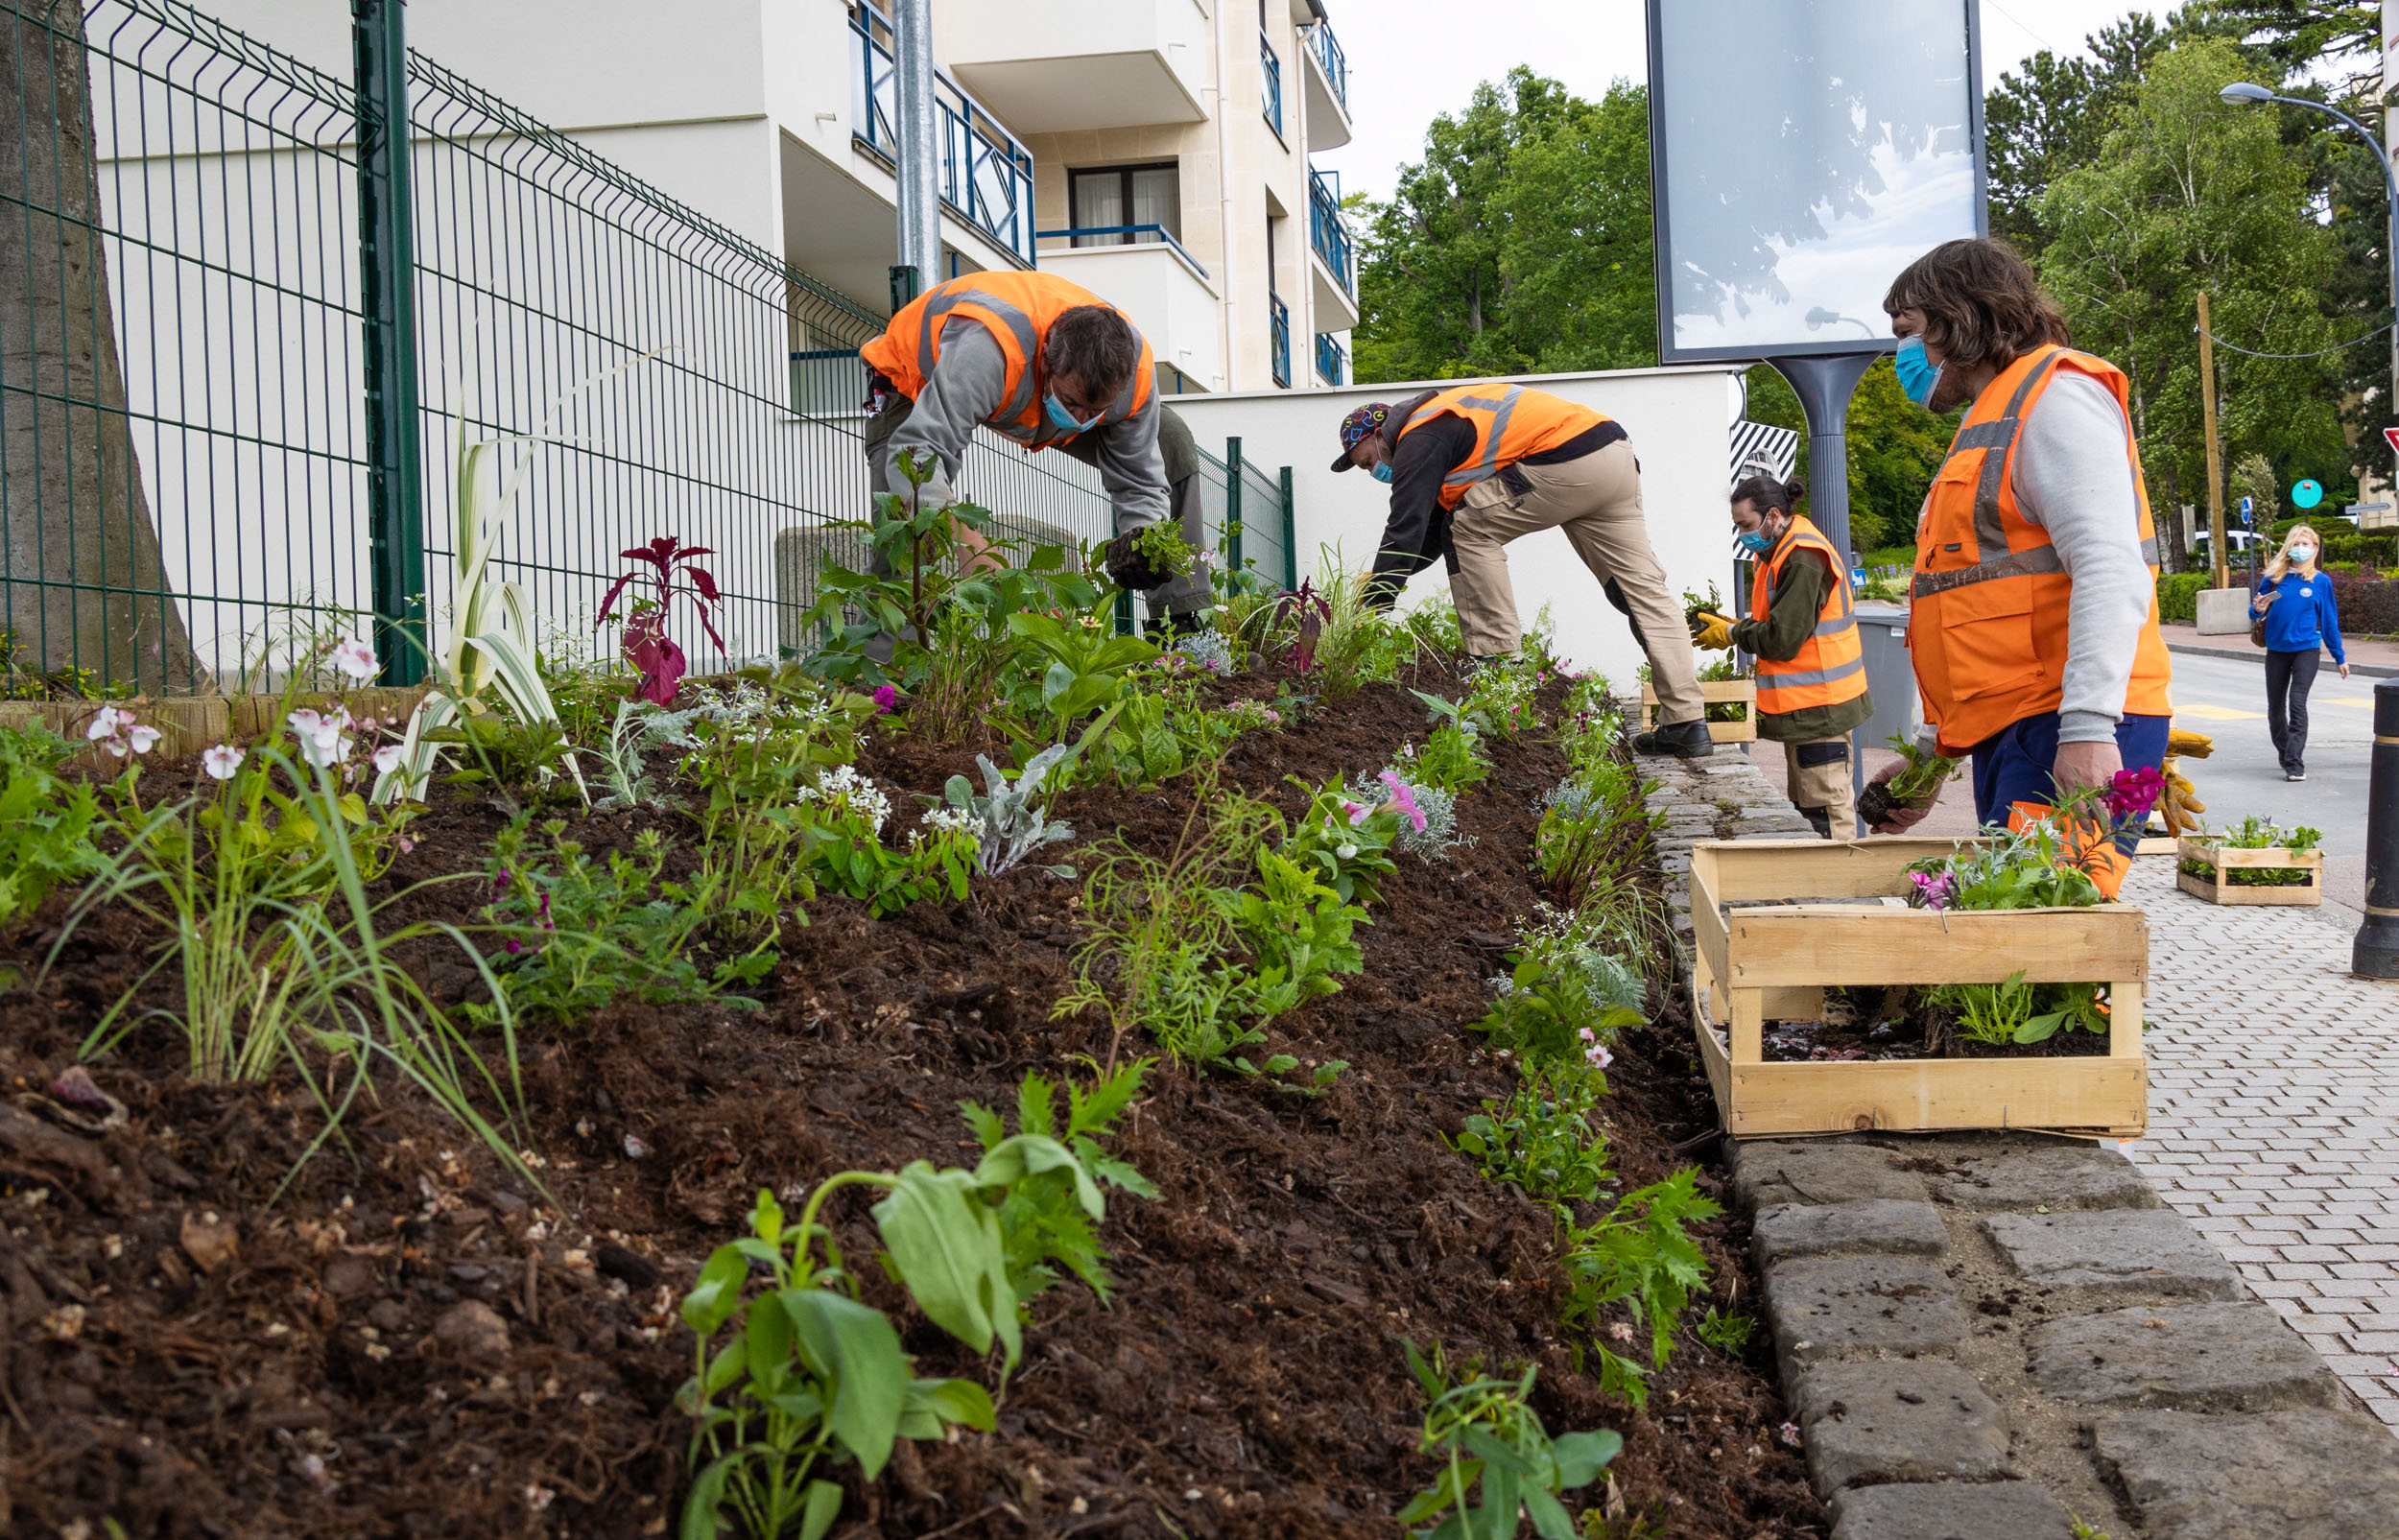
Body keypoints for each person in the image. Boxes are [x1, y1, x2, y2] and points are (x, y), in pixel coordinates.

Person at [1864, 237, 2173, 870]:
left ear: (1959, 318)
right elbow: (1979, 614)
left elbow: (2109, 567)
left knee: (2035, 941)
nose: (1901, 355)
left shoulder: (2054, 399)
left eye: (1908, 332)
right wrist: (1933, 755)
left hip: (2064, 721)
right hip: (2031, 724)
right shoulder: (1996, 416)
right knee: (2019, 938)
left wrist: (2088, 729)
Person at [1330, 386, 1712, 756]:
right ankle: (1686, 724)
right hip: (1613, 454)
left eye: (1367, 461)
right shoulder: (1443, 421)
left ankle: (1498, 672)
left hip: (1565, 459)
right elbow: (1425, 534)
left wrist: (1371, 604)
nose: (1373, 471)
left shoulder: (1418, 434)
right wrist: (1387, 576)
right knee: (1640, 592)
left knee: (1467, 528)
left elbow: (1406, 526)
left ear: (1380, 433)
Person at [857, 270, 1195, 620]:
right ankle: (883, 664)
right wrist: (972, 548)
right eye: (1072, 402)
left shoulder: (1134, 375)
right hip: (910, 381)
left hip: (1030, 388)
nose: (1080, 420)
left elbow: (1140, 478)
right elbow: (917, 451)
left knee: (1170, 437)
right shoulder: (986, 351)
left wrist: (1144, 538)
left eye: (1097, 411)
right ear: (1047, 359)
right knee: (904, 532)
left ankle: (1185, 626)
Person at [1693, 472, 1873, 837]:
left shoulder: (1803, 557)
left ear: (1773, 516)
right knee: (1811, 806)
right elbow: (1782, 620)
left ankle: (1839, 886)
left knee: (1825, 811)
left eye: (1745, 524)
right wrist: (1737, 625)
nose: (1742, 534)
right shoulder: (1781, 550)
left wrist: (1732, 632)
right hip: (1810, 706)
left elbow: (1784, 638)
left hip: (1821, 705)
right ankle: (1823, 884)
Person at [2251, 523, 2348, 782]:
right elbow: (2254, 611)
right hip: (2277, 651)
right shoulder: (2274, 579)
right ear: (2288, 547)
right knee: (2275, 708)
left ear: (2315, 548)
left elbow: (2329, 621)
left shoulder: (2320, 582)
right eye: (2296, 543)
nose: (2301, 548)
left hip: (2307, 649)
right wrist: (2258, 608)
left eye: (2306, 544)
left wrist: (2340, 657)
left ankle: (2294, 762)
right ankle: (2286, 752)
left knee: (2297, 702)